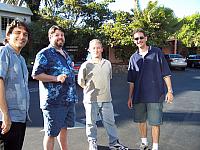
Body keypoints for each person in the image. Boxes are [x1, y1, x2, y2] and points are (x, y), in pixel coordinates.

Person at [31, 25, 78, 150]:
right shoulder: (44, 54)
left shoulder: (66, 55)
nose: (60, 37)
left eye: (62, 35)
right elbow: (36, 74)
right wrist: (55, 78)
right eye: (57, 35)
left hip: (68, 100)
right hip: (53, 102)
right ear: (50, 37)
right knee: (51, 132)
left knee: (64, 128)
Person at [127, 28, 174, 150]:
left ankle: (155, 147)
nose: (139, 40)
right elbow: (131, 81)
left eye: (141, 37)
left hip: (155, 95)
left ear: (146, 38)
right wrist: (130, 97)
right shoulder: (133, 58)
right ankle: (144, 143)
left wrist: (170, 91)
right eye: (136, 38)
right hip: (138, 96)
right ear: (134, 41)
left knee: (155, 123)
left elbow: (166, 73)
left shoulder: (157, 52)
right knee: (141, 121)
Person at [78, 39, 128, 150]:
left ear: (102, 49)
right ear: (89, 50)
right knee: (91, 123)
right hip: (91, 100)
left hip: (106, 99)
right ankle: (92, 142)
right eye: (93, 48)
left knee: (110, 122)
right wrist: (90, 91)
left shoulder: (108, 64)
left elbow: (107, 78)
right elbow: (81, 82)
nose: (96, 50)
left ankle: (114, 143)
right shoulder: (86, 65)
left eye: (98, 47)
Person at [0, 19, 30, 150]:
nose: (22, 36)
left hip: (20, 119)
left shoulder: (21, 59)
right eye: (18, 32)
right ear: (8, 36)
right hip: (5, 119)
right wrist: (5, 115)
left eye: (25, 34)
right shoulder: (3, 52)